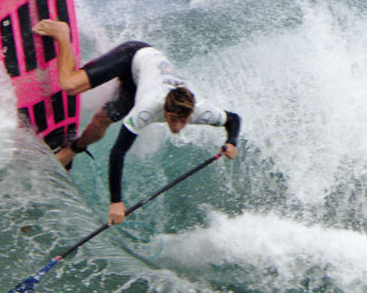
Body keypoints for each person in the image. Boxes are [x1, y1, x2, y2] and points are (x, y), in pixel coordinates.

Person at [32, 19, 241, 224]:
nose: (177, 126)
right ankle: (62, 34)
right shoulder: (147, 108)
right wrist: (116, 202)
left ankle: (74, 149)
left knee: (102, 120)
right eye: (172, 120)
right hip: (133, 56)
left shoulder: (200, 110)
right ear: (165, 110)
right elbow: (118, 152)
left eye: (182, 121)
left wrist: (232, 142)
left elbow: (233, 119)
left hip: (141, 81)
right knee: (70, 85)